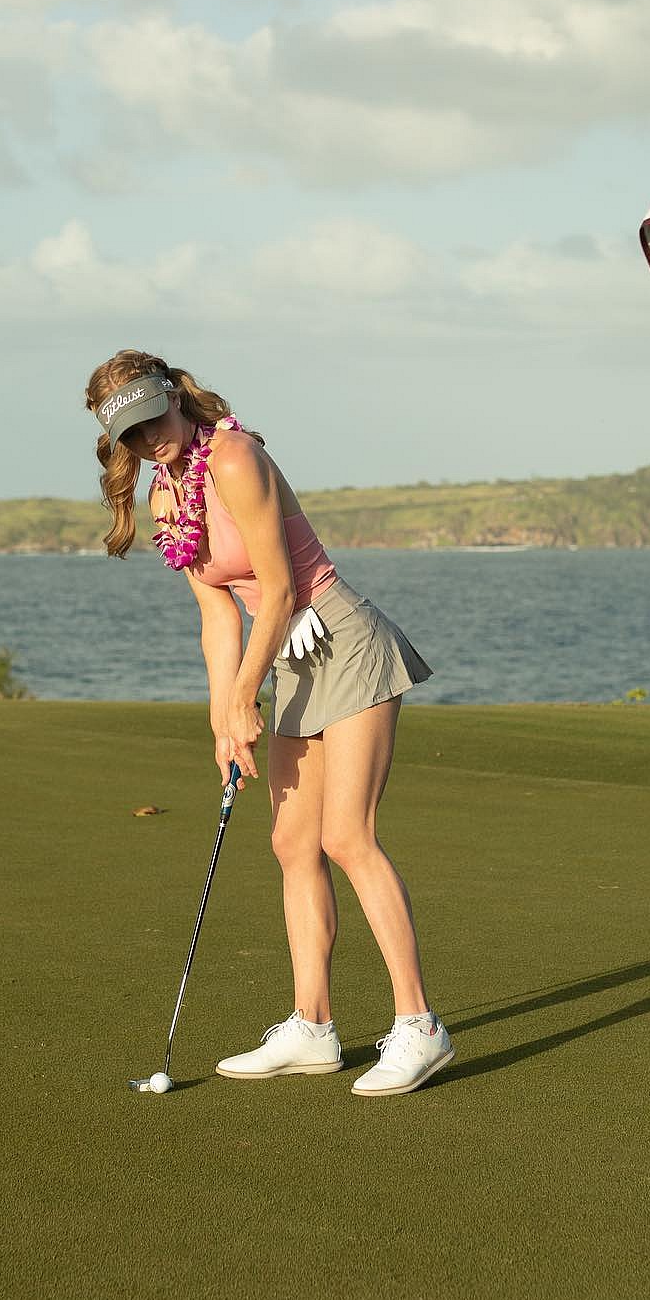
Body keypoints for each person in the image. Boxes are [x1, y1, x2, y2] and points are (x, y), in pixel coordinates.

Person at [86, 348, 453, 1097]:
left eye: (152, 419)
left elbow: (281, 587)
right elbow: (219, 612)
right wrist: (223, 714)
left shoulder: (235, 457)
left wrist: (247, 694)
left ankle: (420, 1027)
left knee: (347, 836)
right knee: (292, 842)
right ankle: (313, 1028)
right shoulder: (165, 497)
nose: (149, 438)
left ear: (174, 399)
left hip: (338, 637)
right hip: (276, 653)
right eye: (131, 434)